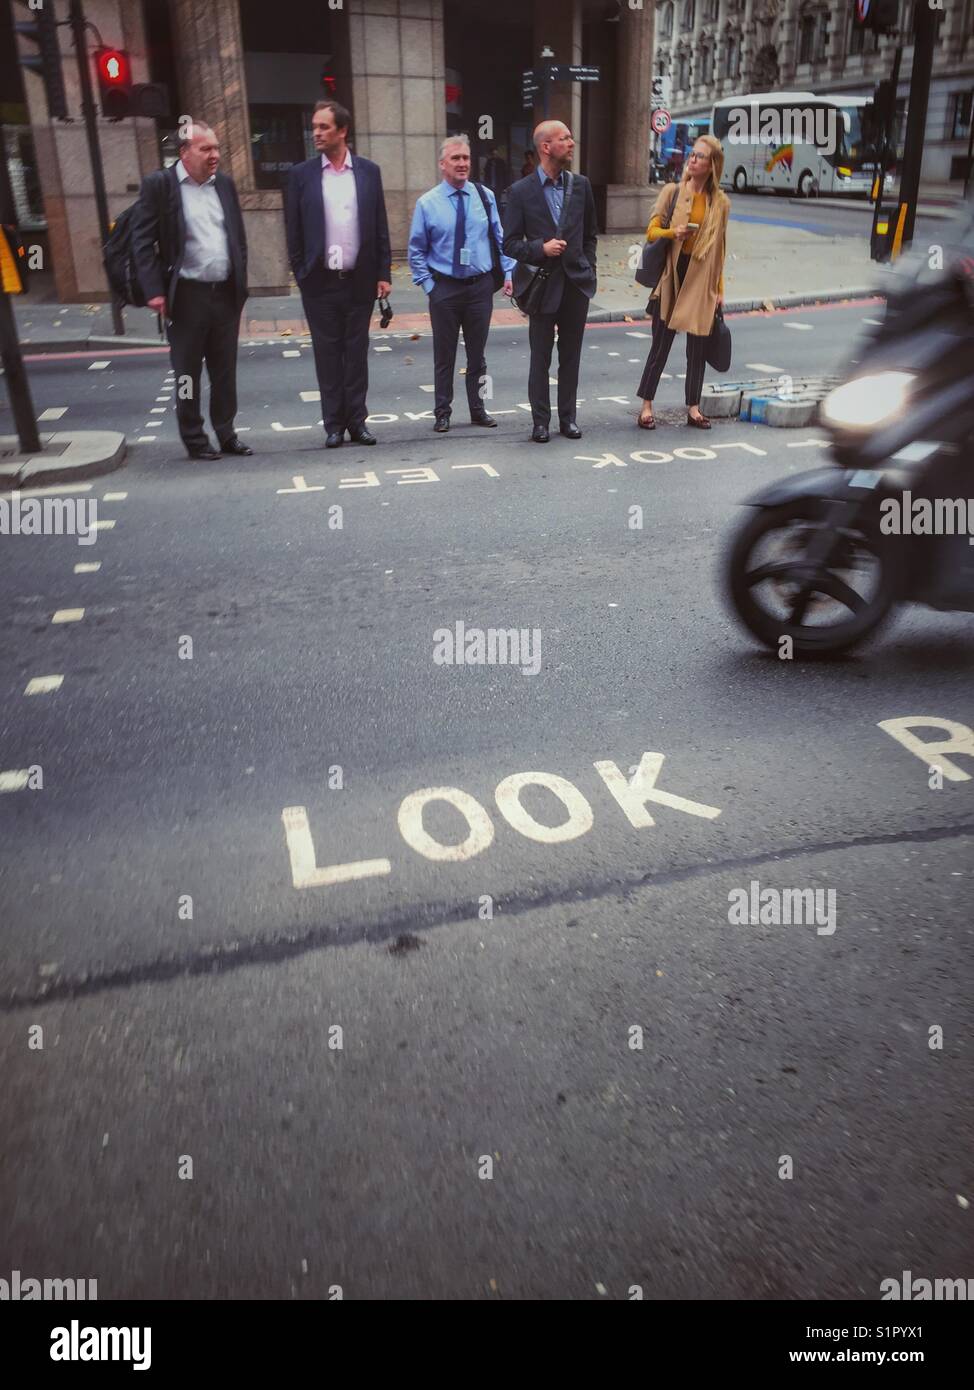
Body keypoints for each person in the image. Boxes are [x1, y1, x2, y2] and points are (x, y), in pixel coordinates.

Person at [131, 122, 251, 460]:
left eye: (216, 148)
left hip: (224, 294)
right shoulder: (161, 185)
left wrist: (240, 282)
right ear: (184, 152)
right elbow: (141, 241)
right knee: (187, 372)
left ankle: (226, 433)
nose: (214, 155)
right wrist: (153, 290)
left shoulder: (224, 185)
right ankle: (194, 438)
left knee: (225, 370)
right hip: (185, 296)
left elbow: (237, 238)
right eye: (206, 149)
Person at [284, 100, 391, 448]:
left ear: (342, 131)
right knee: (327, 355)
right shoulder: (301, 176)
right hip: (319, 282)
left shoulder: (368, 171)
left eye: (323, 127)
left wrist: (383, 273)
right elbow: (293, 231)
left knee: (356, 355)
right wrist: (302, 274)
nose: (316, 132)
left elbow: (379, 227)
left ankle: (357, 422)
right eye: (314, 127)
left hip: (359, 281)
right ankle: (333, 425)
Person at [408, 135, 515, 432]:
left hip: (479, 288)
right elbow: (416, 251)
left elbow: (500, 237)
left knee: (477, 356)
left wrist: (508, 273)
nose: (462, 163)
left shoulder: (485, 196)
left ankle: (478, 409)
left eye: (466, 158)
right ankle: (442, 412)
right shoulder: (427, 203)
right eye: (456, 158)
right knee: (445, 355)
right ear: (443, 164)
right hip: (444, 289)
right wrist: (430, 287)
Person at [502, 120, 598, 442]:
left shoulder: (582, 185)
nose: (571, 142)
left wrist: (589, 269)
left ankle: (567, 419)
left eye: (571, 137)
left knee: (571, 357)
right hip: (542, 287)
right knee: (540, 358)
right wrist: (539, 249)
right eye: (564, 138)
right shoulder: (520, 192)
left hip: (575, 286)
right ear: (546, 147)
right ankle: (540, 422)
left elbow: (590, 236)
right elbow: (510, 243)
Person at [636, 134, 729, 431]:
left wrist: (720, 290)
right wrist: (671, 233)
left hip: (702, 280)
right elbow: (651, 231)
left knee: (697, 350)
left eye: (700, 156)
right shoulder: (672, 191)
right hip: (672, 276)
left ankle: (694, 407)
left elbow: (720, 250)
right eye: (692, 154)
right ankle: (646, 406)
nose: (693, 159)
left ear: (712, 165)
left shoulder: (720, 203)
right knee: (660, 345)